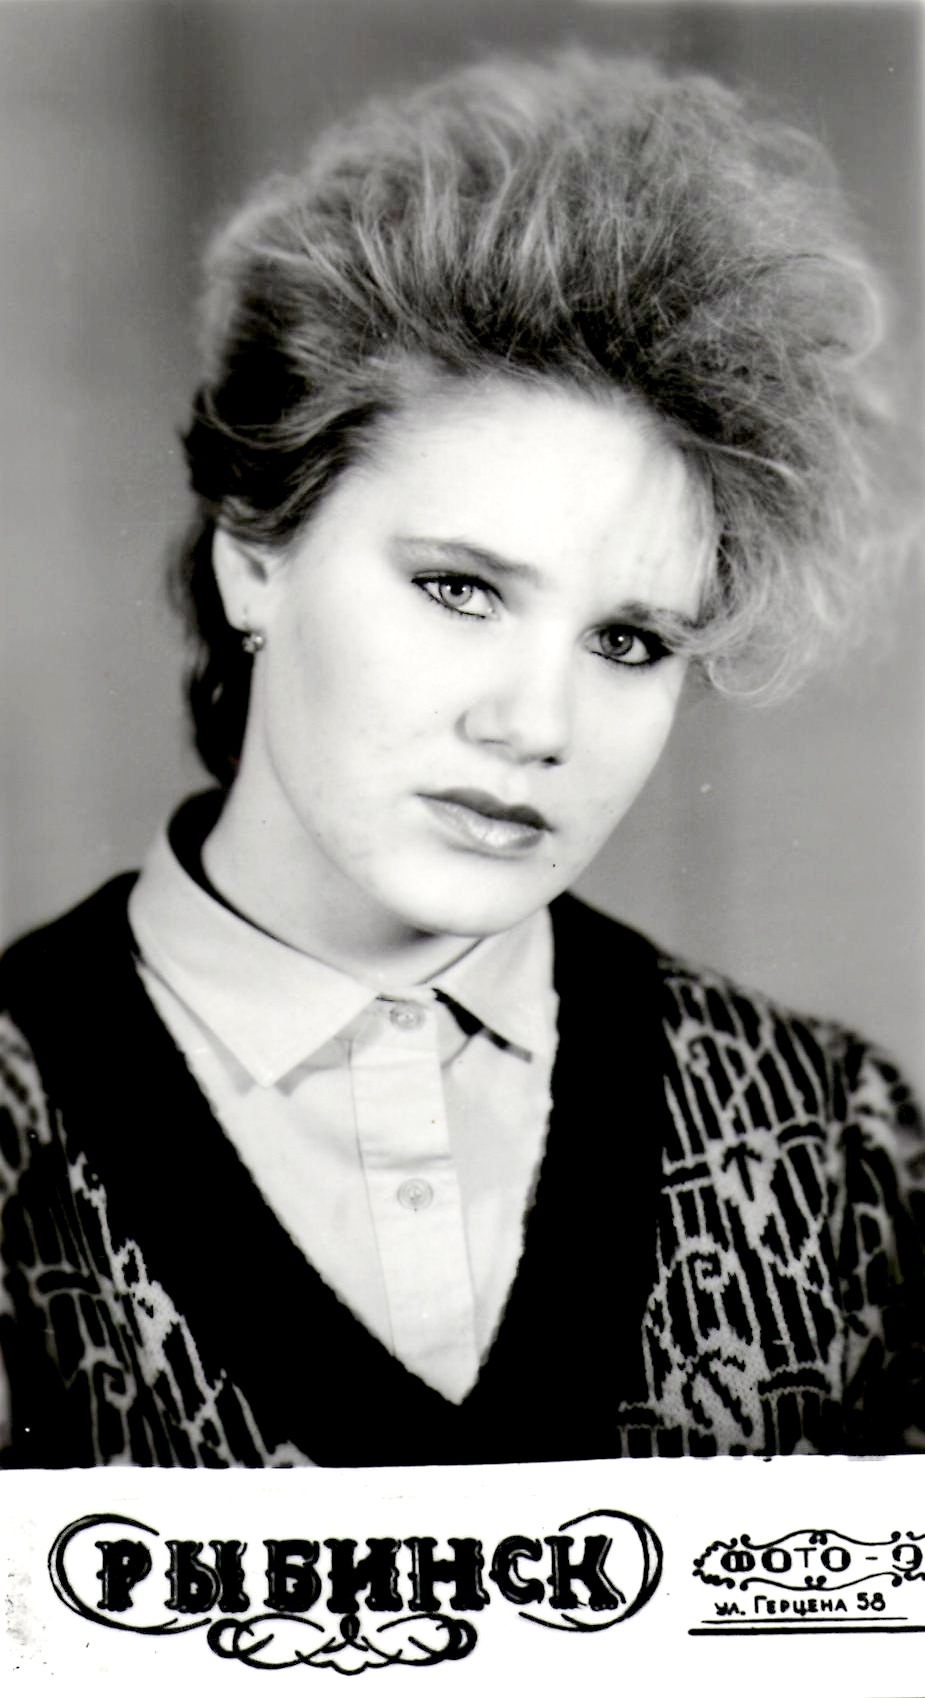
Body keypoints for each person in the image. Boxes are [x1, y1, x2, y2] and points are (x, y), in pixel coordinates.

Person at [0, 49, 921, 1469]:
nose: (536, 723)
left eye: (627, 641)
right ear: (255, 554)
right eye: (458, 588)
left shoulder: (832, 1147)